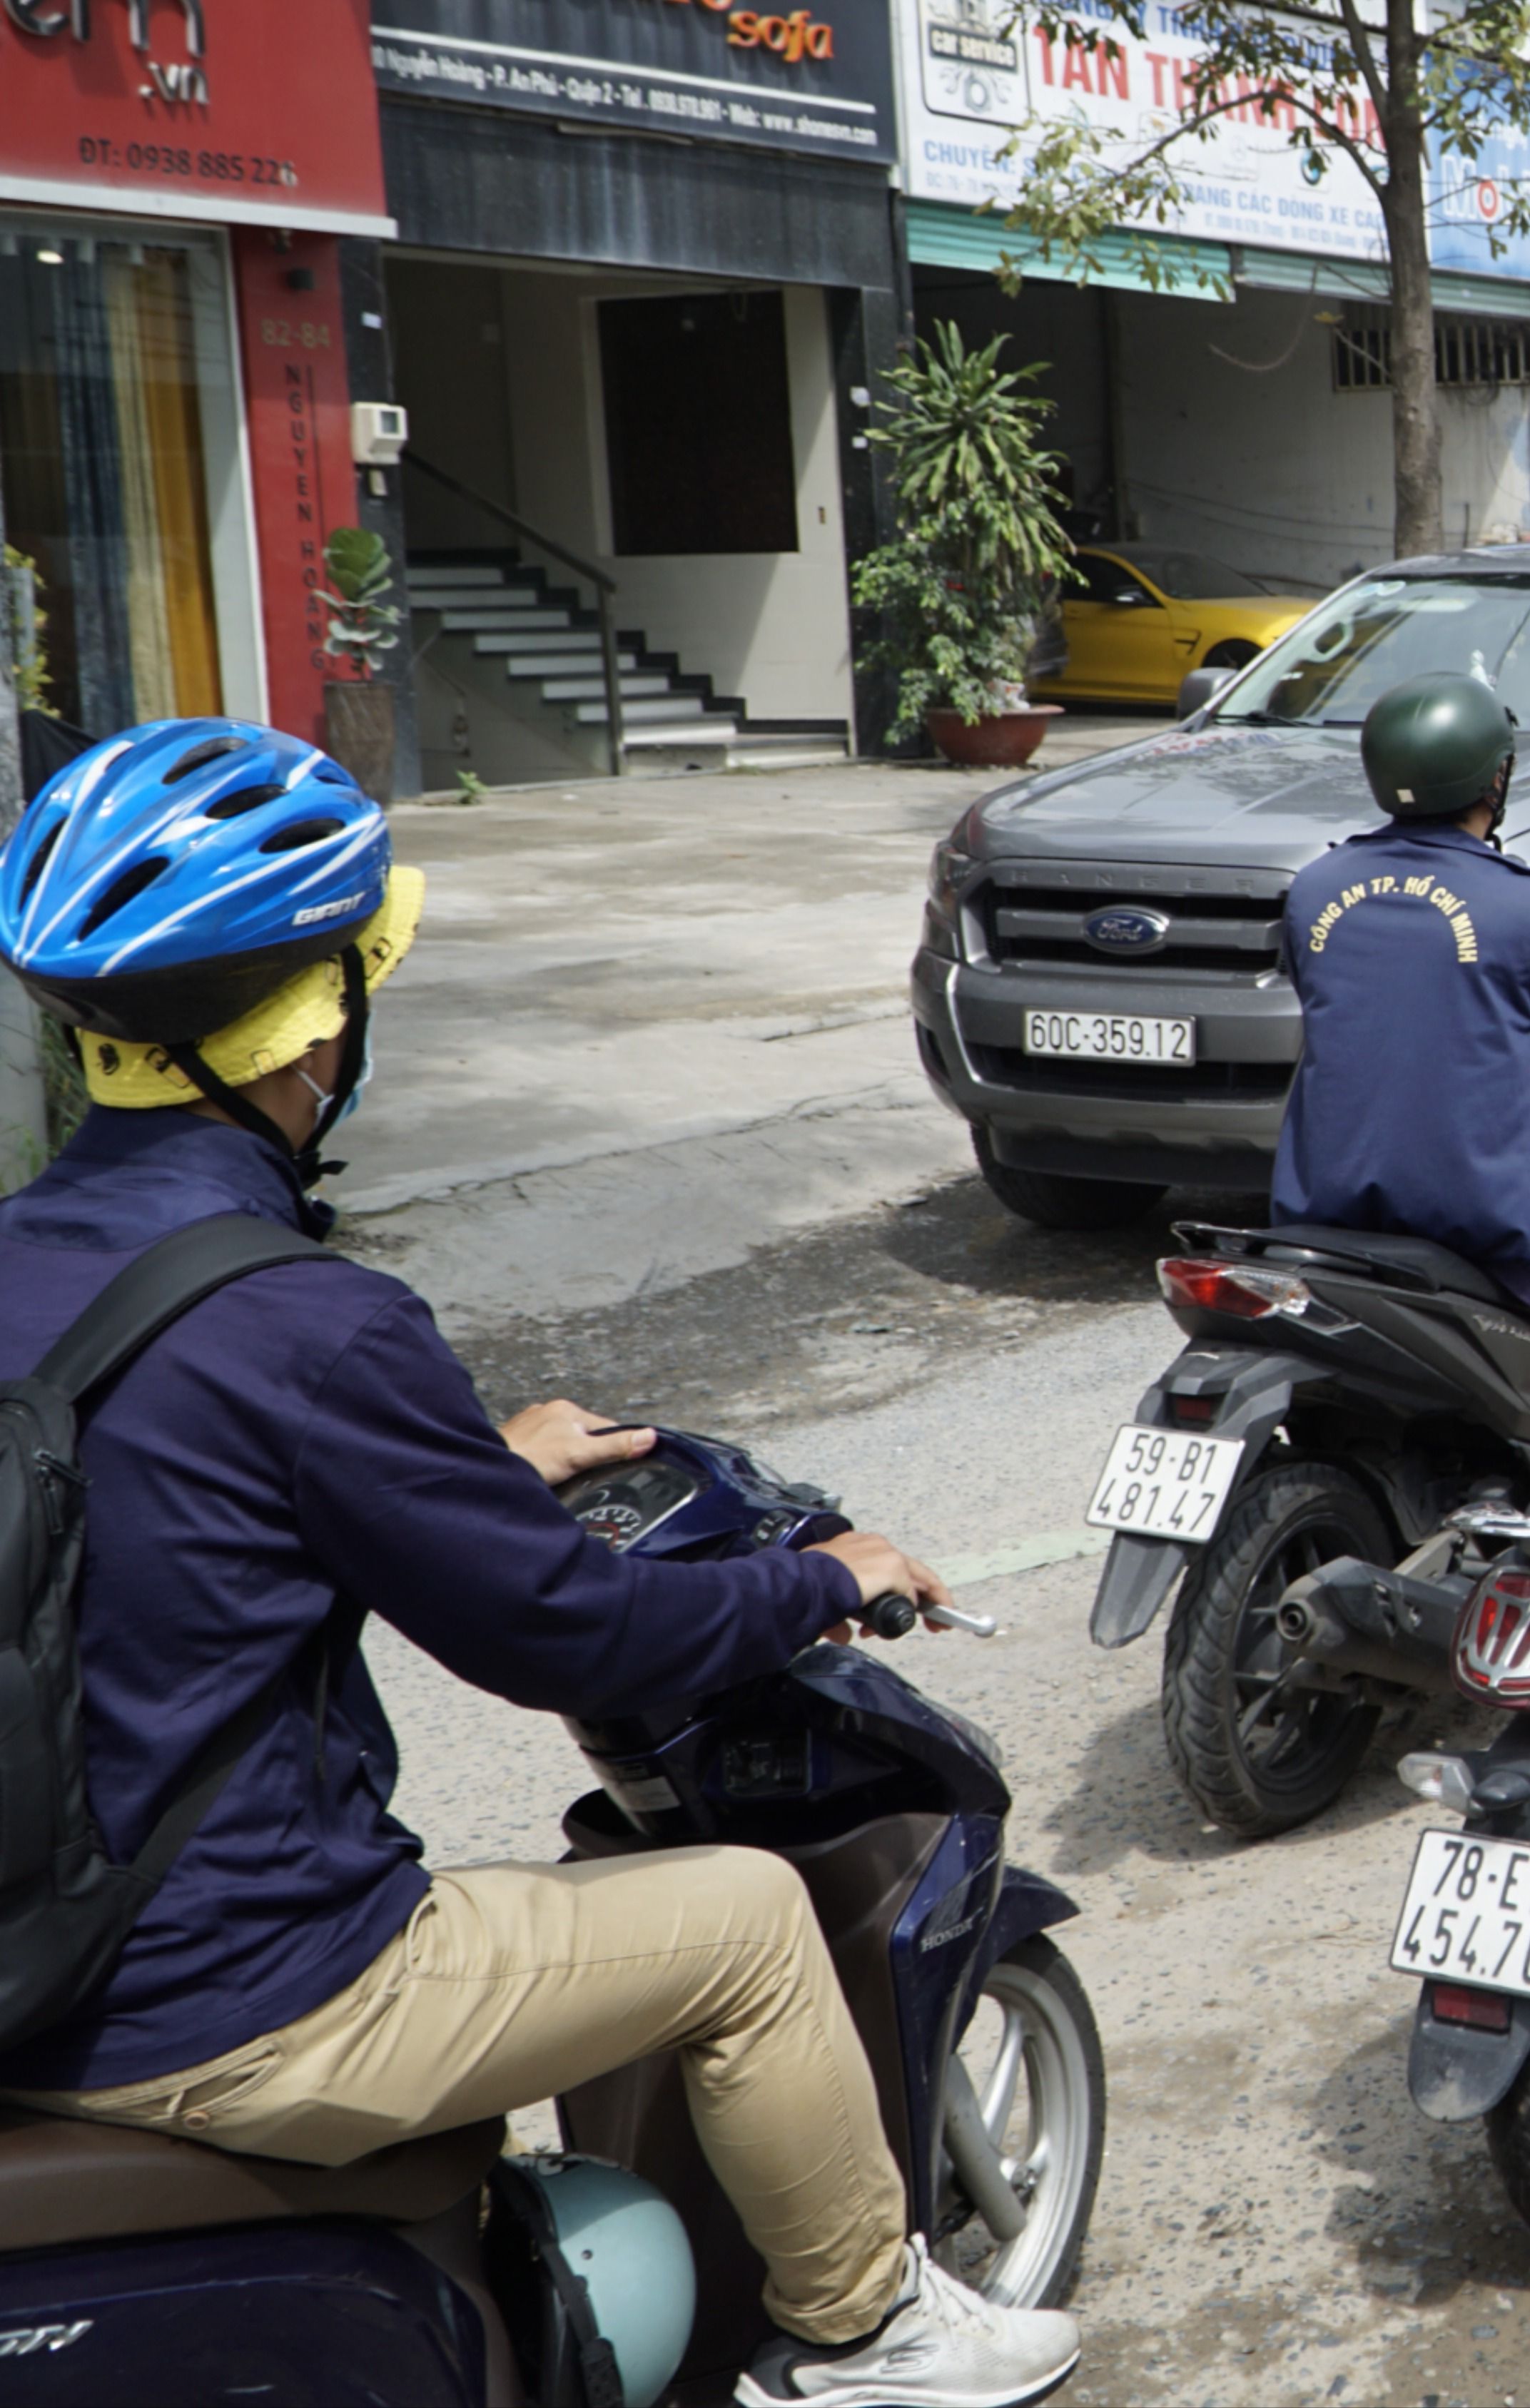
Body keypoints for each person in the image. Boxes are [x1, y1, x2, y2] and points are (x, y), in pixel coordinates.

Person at [0, 721, 1077, 2408]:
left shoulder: (30, 1262)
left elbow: (154, 1517)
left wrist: (471, 1469)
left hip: (40, 1960)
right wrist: (822, 1577)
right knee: (745, 1919)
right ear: (327, 1021)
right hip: (236, 2003)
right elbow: (571, 1635)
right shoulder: (311, 1321)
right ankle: (875, 2330)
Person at [1273, 672, 1530, 1448]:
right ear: (1495, 779)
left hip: (1328, 1212)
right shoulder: (1529, 908)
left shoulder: (1313, 891)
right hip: (1489, 1222)